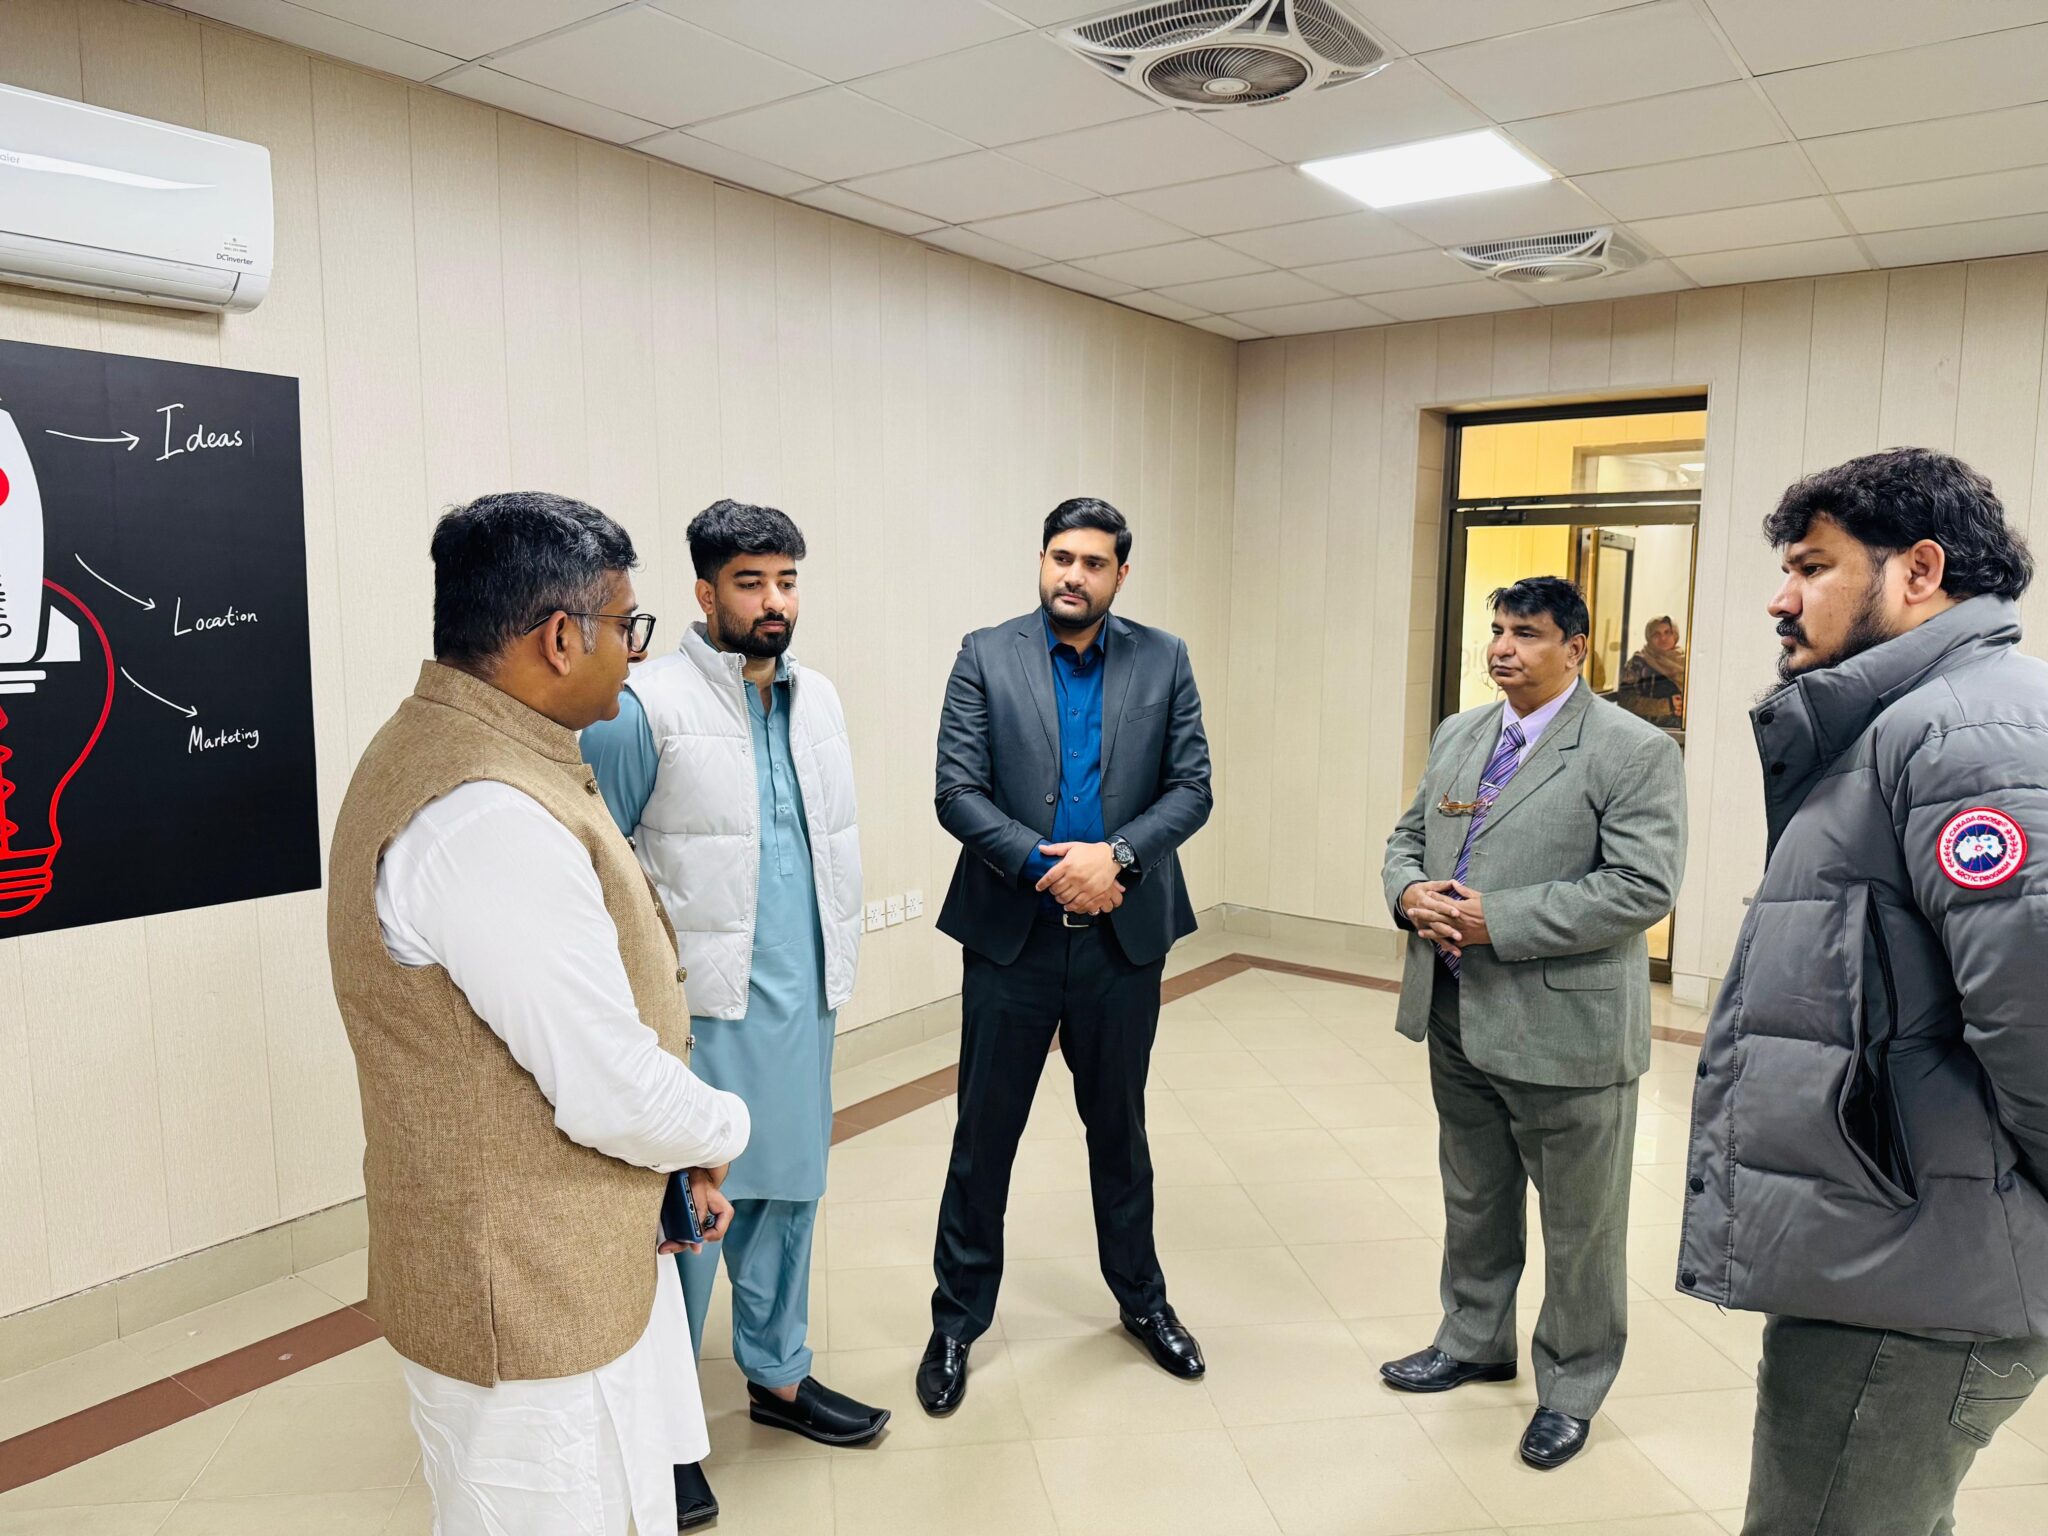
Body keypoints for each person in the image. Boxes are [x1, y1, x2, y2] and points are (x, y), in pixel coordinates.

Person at [327, 491, 751, 1536]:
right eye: (626, 626)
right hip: (522, 1297)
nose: (634, 655)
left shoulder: (479, 748)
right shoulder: (484, 812)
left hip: (567, 1258)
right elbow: (607, 1086)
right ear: (560, 638)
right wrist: (723, 1128)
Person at [1678, 448, 2048, 1535]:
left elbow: (2036, 1010)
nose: (1779, 599)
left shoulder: (1969, 734)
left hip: (1920, 1281)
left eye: (1811, 567)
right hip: (1894, 1250)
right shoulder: (1914, 722)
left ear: (1918, 571)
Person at [582, 499, 885, 1525]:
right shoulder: (645, 706)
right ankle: (664, 1435)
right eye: (750, 582)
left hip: (804, 998)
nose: (772, 601)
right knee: (688, 1222)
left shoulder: (819, 699)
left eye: (786, 580)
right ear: (704, 593)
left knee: (789, 1197)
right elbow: (601, 861)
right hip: (699, 1013)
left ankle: (779, 1375)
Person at [1380, 575, 1686, 1470]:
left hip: (1567, 1031)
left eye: (1527, 633)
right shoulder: (1462, 733)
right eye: (1498, 630)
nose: (1503, 648)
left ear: (1575, 648)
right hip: (1455, 1010)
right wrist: (1409, 891)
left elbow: (1641, 886)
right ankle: (1473, 1339)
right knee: (1474, 1196)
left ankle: (1573, 1387)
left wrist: (1497, 920)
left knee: (1583, 1226)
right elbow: (1407, 838)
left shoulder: (1632, 749)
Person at [917, 496, 1214, 1414]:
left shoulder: (1163, 658)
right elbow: (956, 791)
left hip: (1123, 940)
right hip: (1013, 939)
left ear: (1121, 573)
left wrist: (1115, 859)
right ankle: (957, 1322)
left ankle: (1142, 1301)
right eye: (1059, 558)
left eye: (1091, 562)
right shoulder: (985, 654)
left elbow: (1192, 787)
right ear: (1042, 562)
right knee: (984, 1137)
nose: (1072, 576)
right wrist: (1055, 871)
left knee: (1119, 1132)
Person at [1616, 614, 1686, 729]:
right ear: (1649, 637)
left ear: (1675, 635)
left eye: (1667, 632)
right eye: (1656, 634)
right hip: (1645, 731)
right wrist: (1667, 705)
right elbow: (1626, 701)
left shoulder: (1687, 662)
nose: (1663, 638)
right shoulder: (1637, 663)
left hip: (1682, 733)